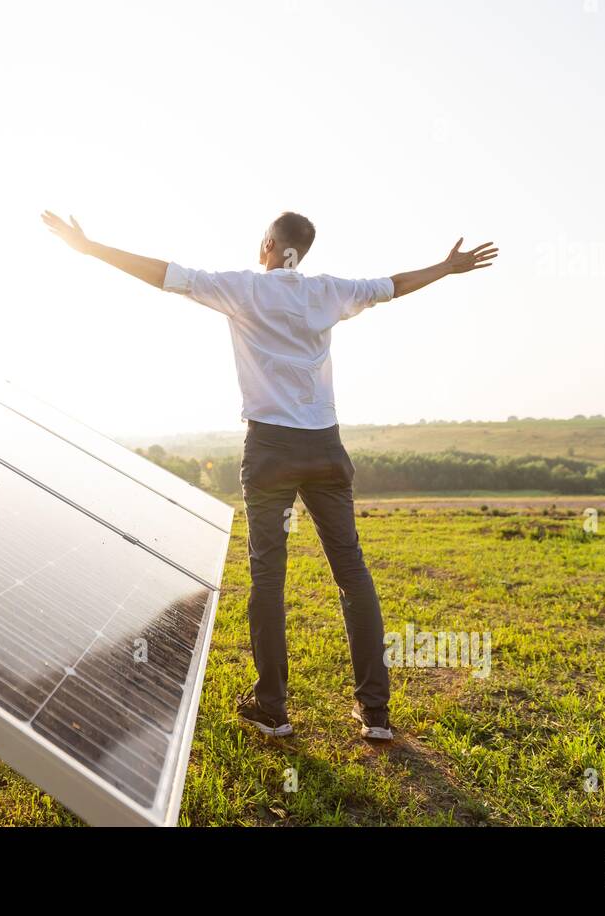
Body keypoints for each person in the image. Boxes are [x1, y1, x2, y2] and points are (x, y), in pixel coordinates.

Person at [42, 209, 497, 740]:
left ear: (269, 245)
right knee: (352, 573)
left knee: (268, 578)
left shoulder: (242, 289)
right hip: (326, 446)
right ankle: (375, 713)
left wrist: (91, 247)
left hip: (271, 450)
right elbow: (393, 285)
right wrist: (446, 267)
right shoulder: (328, 291)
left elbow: (165, 274)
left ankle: (272, 707)